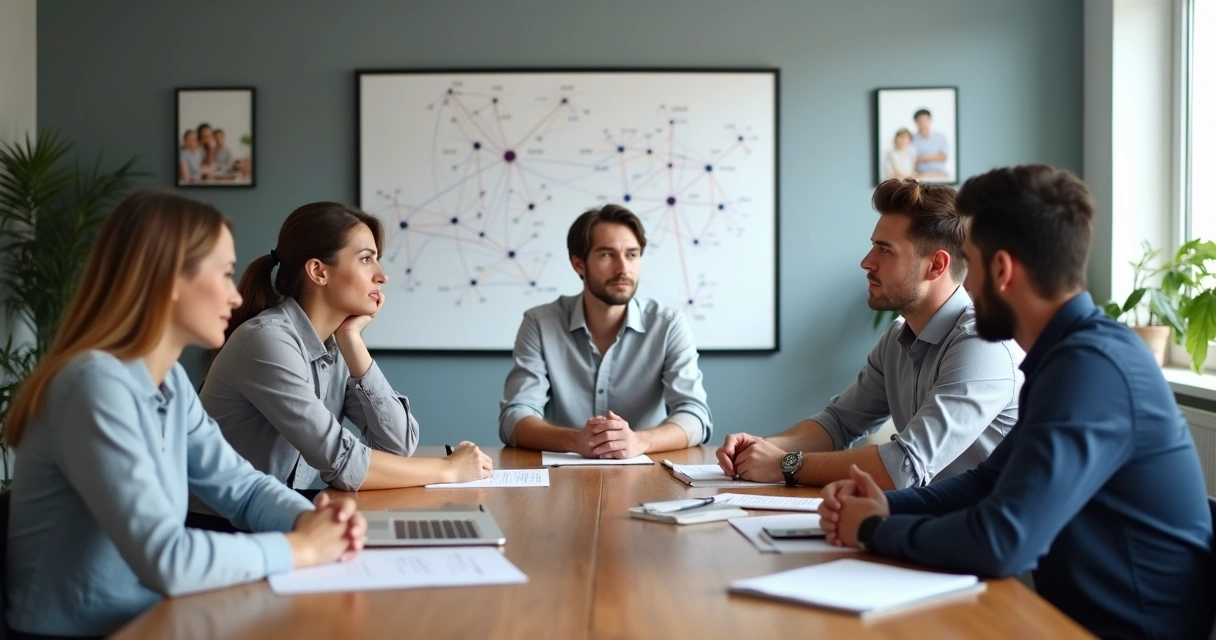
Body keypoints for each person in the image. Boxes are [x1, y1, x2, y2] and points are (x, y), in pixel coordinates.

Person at [817, 165, 1215, 639]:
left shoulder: (1092, 368)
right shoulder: (1070, 356)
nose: (964, 288)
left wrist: (874, 530)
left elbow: (1002, 540)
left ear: (1001, 270)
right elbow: (987, 482)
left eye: (973, 264)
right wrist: (888, 505)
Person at [3, 190, 366, 638]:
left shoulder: (168, 381)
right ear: (170, 277)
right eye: (225, 274)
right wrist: (301, 549)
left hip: (151, 620)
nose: (236, 298)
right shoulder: (93, 386)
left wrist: (308, 519)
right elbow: (167, 559)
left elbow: (243, 488)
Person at [194, 202, 490, 520]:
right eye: (366, 259)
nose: (382, 275)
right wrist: (448, 470)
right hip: (221, 527)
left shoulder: (333, 344)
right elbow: (342, 463)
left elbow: (397, 445)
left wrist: (351, 339)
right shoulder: (267, 341)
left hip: (282, 514)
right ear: (319, 271)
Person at [717, 179, 1022, 489]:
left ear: (936, 265)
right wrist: (761, 448)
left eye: (885, 250)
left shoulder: (984, 343)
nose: (867, 262)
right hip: (931, 523)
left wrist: (786, 463)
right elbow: (839, 423)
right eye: (873, 245)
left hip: (991, 532)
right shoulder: (897, 339)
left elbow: (904, 467)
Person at [500, 204, 712, 458]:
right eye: (607, 255)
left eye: (632, 255)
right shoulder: (540, 323)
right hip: (562, 481)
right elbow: (515, 416)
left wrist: (639, 442)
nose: (623, 269)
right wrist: (573, 440)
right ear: (578, 264)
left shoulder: (668, 325)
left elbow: (695, 414)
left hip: (650, 478)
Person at [911, 109, 950, 180]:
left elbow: (943, 157)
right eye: (920, 121)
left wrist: (921, 158)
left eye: (925, 121)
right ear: (916, 122)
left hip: (939, 175)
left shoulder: (941, 137)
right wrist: (934, 156)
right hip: (919, 176)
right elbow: (911, 158)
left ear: (930, 120)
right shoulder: (912, 138)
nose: (923, 124)